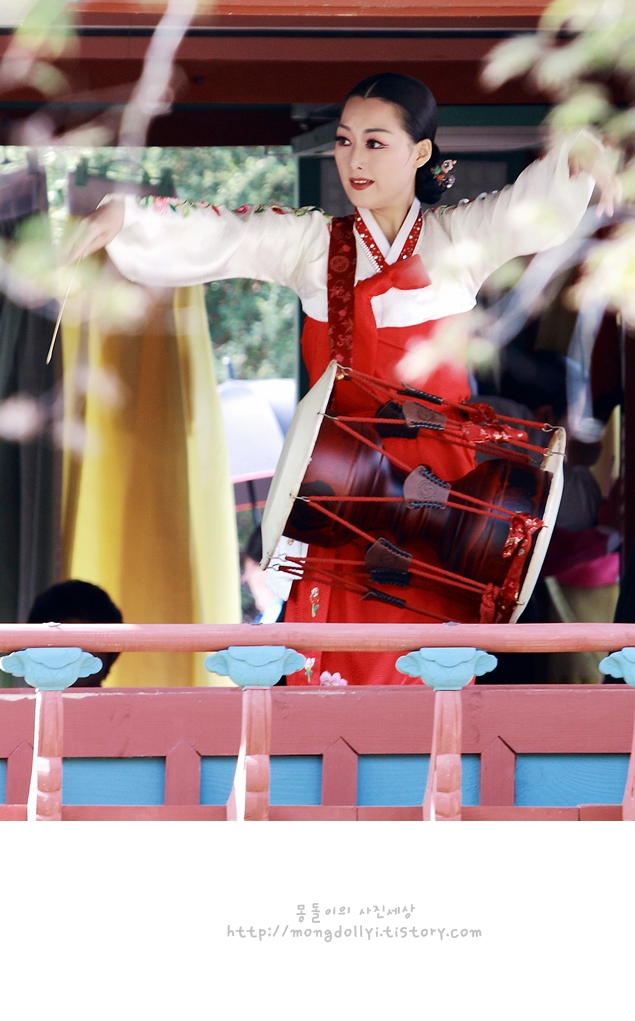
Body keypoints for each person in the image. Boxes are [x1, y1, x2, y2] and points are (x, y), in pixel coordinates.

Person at [73, 73, 601, 684]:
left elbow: (527, 209)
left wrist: (578, 154)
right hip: (341, 493)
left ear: (420, 153)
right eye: (345, 141)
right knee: (332, 671)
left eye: (376, 143)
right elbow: (231, 233)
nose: (354, 159)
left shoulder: (459, 239)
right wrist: (129, 217)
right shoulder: (313, 245)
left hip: (439, 509)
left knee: (428, 676)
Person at [25, 579, 124, 687]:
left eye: (84, 643)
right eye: (58, 643)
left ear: (113, 654)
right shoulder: (13, 697)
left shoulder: (132, 698)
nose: (71, 654)